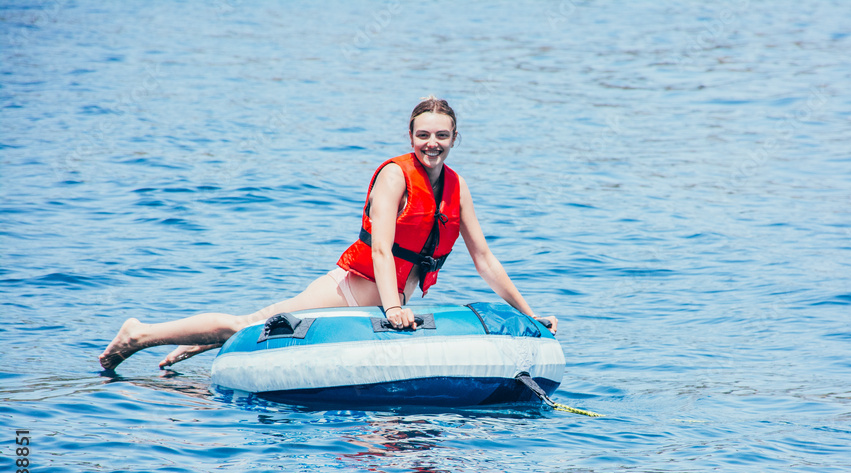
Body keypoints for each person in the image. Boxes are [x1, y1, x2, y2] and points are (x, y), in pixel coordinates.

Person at [99, 97, 557, 371]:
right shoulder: (395, 177)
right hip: (351, 291)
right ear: (410, 135)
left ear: (456, 137)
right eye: (423, 135)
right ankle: (138, 334)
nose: (431, 144)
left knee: (254, 324)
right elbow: (381, 246)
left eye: (441, 135)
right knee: (252, 325)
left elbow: (484, 258)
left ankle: (198, 341)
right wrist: (394, 307)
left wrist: (531, 316)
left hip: (387, 299)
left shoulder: (456, 187)